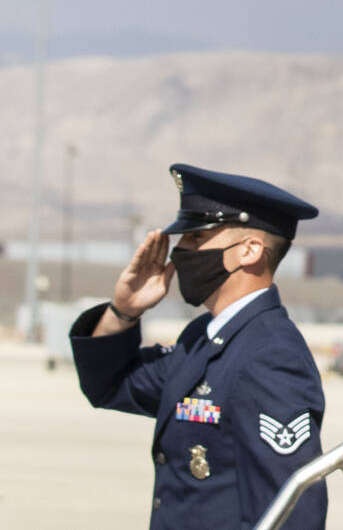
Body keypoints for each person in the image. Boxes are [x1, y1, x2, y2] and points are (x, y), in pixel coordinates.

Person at [69, 164, 327, 530]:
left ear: (249, 251)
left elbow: (290, 507)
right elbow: (110, 385)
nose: (179, 253)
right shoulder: (202, 337)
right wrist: (124, 312)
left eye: (195, 238)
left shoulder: (270, 355)